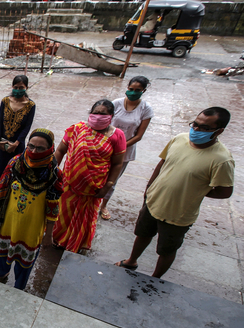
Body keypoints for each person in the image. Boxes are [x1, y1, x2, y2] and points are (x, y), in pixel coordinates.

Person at [116, 107, 234, 278]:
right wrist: (149, 189)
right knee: (142, 234)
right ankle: (131, 260)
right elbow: (162, 164)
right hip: (154, 201)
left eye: (204, 128)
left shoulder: (222, 159)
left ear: (219, 131)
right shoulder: (179, 139)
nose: (196, 129)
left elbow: (224, 192)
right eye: (195, 124)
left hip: (178, 214)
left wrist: (195, 189)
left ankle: (155, 279)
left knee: (166, 249)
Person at [0, 129, 63, 290]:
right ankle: (0, 274)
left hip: (32, 228)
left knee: (25, 259)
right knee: (3, 250)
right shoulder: (16, 163)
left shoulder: (53, 174)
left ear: (50, 149)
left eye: (40, 148)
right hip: (10, 221)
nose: (34, 151)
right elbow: (2, 188)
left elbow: (53, 208)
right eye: (31, 146)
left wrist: (48, 234)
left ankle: (19, 286)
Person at [52, 99, 126, 253]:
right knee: (63, 214)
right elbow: (60, 151)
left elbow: (118, 163)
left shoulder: (117, 136)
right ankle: (59, 239)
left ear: (111, 116)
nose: (98, 116)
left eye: (103, 114)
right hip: (69, 185)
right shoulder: (77, 129)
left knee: (84, 219)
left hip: (94, 189)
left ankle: (76, 243)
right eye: (95, 113)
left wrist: (109, 185)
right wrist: (52, 171)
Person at [100, 76, 153, 220]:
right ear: (127, 88)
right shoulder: (116, 104)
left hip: (124, 150)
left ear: (143, 91)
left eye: (137, 90)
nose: (133, 92)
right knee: (98, 174)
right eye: (131, 89)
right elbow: (104, 123)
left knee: (112, 179)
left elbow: (139, 135)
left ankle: (103, 205)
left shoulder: (145, 109)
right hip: (105, 146)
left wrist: (120, 146)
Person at [0, 75, 35, 201]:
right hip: (2, 142)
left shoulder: (30, 105)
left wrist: (17, 143)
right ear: (12, 87)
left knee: (15, 169)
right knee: (0, 169)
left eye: (21, 87)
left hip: (17, 144)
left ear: (26, 88)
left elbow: (26, 128)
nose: (18, 89)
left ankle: (10, 192)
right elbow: (0, 123)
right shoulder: (5, 101)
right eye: (16, 87)